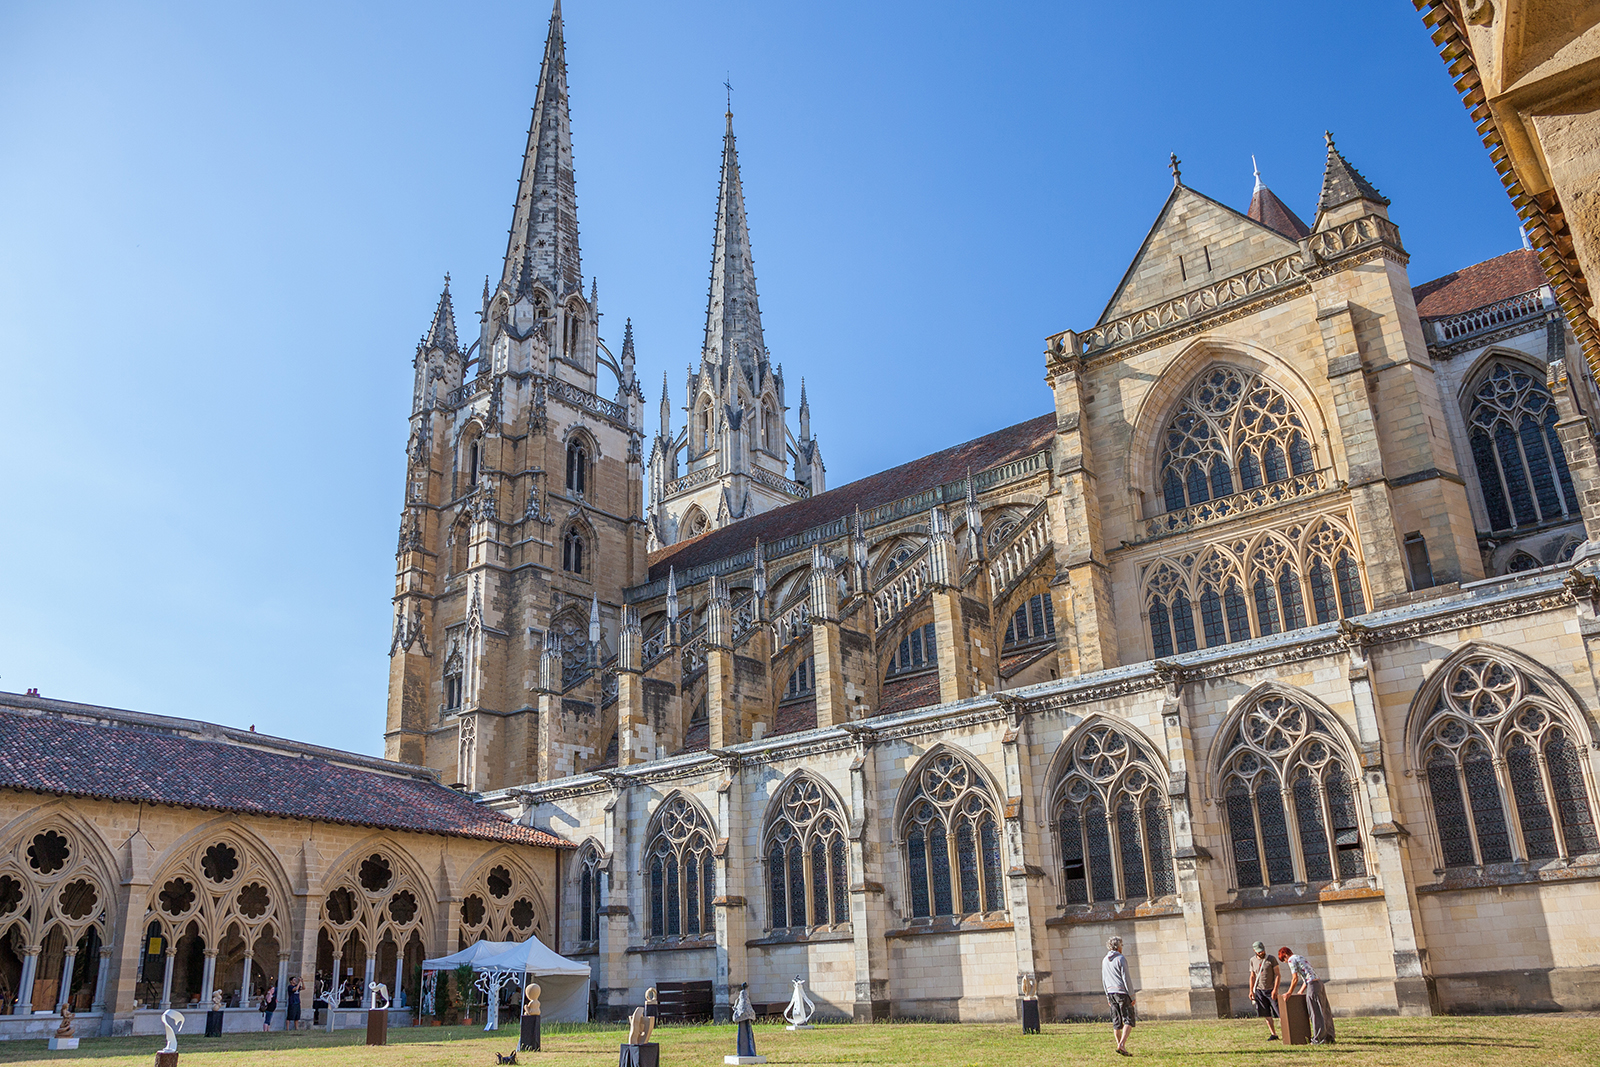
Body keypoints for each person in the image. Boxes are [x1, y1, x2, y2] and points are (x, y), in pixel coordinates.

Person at [1279, 947, 1335, 1045]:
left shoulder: (1291, 959)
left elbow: (1295, 979)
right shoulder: (1300, 957)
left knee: (1315, 1013)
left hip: (1313, 987)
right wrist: (1300, 991)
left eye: (1284, 960)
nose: (1286, 962)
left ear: (1285, 955)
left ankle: (1318, 1039)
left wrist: (1289, 992)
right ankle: (1330, 1037)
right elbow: (1307, 976)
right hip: (1319, 983)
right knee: (1325, 1011)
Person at [1101, 935, 1135, 1057]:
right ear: (1118, 946)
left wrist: (1107, 996)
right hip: (1122, 992)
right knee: (1128, 1019)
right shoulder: (1121, 959)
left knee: (1116, 1021)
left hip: (1110, 993)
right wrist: (1132, 995)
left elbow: (1104, 980)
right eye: (1122, 945)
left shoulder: (1105, 960)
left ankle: (1120, 1045)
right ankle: (1122, 1044)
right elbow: (1126, 978)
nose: (1122, 947)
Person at [1248, 942, 1280, 1041]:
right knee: (1266, 1014)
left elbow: (1277, 974)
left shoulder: (1271, 959)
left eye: (1262, 950)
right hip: (1259, 991)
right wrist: (1251, 991)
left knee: (1280, 1012)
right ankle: (1273, 1034)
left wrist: (1275, 989)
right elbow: (1252, 976)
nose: (1261, 952)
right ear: (1254, 951)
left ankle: (1288, 1032)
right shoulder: (1252, 960)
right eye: (1259, 951)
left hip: (1271, 990)